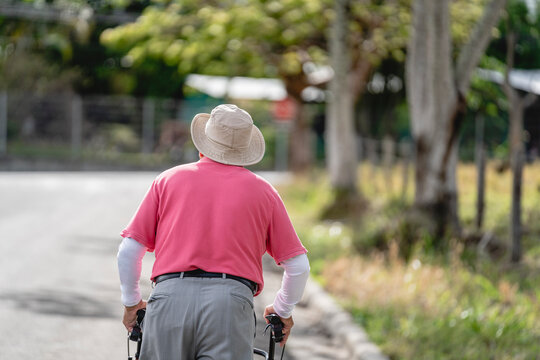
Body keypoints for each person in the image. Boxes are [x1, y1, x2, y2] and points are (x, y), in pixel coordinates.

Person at [117, 104, 310, 360]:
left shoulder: (167, 180)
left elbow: (128, 252)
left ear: (203, 144)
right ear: (245, 150)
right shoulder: (264, 192)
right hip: (230, 305)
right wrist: (283, 309)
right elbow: (299, 266)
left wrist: (132, 303)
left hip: (170, 298)